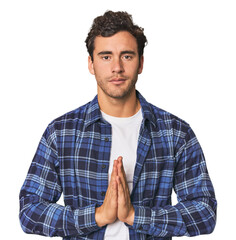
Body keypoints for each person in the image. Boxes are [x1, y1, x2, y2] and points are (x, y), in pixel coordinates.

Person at [19, 10, 217, 240]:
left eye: (127, 56)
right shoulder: (61, 133)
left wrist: (134, 216)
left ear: (140, 63)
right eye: (105, 56)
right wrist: (97, 216)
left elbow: (205, 212)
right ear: (91, 64)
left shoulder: (175, 133)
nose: (117, 68)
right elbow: (29, 211)